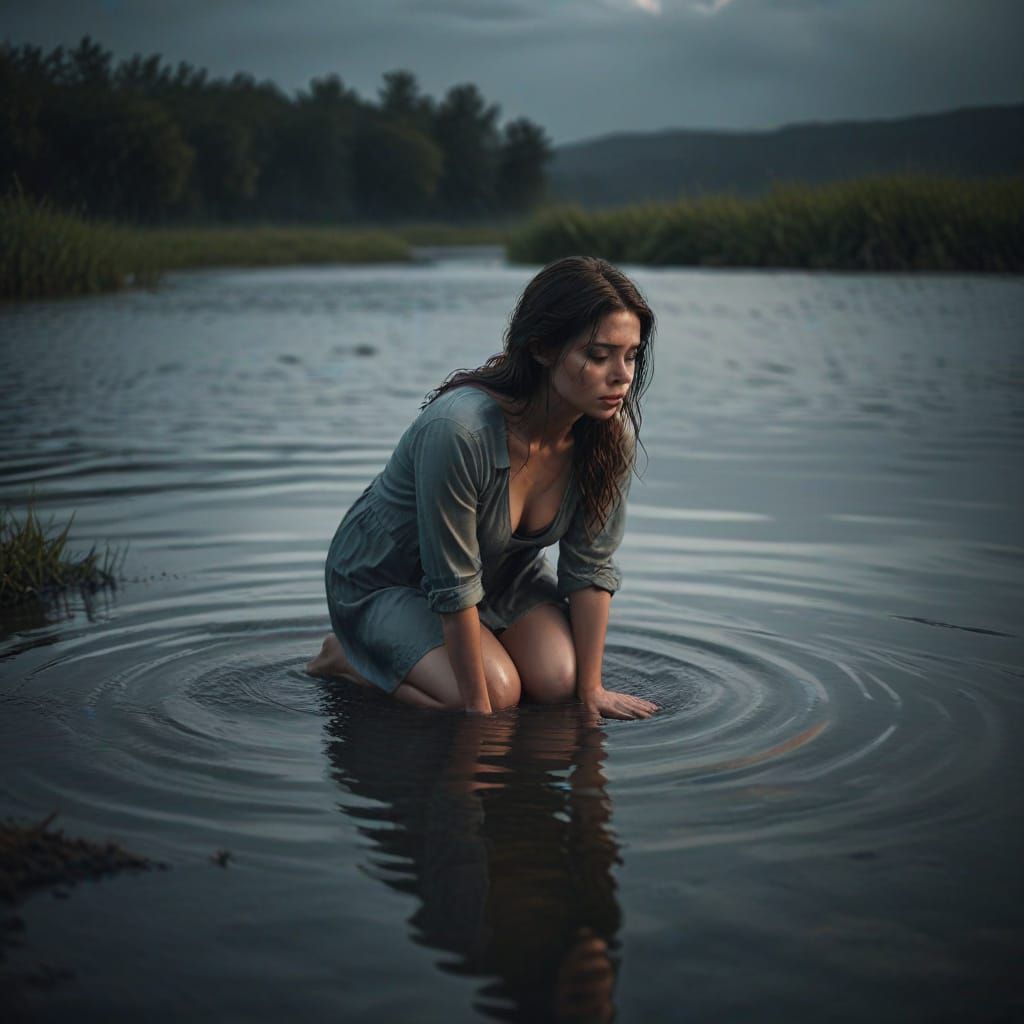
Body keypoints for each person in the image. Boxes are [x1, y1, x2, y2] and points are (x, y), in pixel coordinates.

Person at [306, 256, 658, 720]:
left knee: (560, 685)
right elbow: (450, 581)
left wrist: (592, 690)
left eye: (631, 355)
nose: (622, 375)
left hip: (502, 579)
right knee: (496, 695)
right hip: (385, 580)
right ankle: (349, 657)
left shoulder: (609, 437)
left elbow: (590, 566)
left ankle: (454, 668)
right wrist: (476, 716)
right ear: (542, 349)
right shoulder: (460, 430)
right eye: (598, 355)